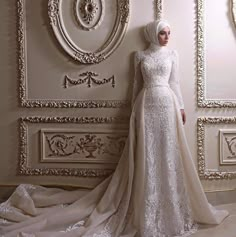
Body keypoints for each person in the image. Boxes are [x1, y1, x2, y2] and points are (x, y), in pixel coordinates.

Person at [0, 20, 229, 237]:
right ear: (152, 33)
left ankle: (169, 204)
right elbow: (136, 86)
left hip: (167, 105)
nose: (166, 37)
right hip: (145, 106)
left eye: (169, 33)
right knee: (146, 154)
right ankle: (145, 206)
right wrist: (133, 113)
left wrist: (180, 106)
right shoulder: (140, 56)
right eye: (162, 32)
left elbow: (174, 82)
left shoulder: (172, 55)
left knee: (167, 153)